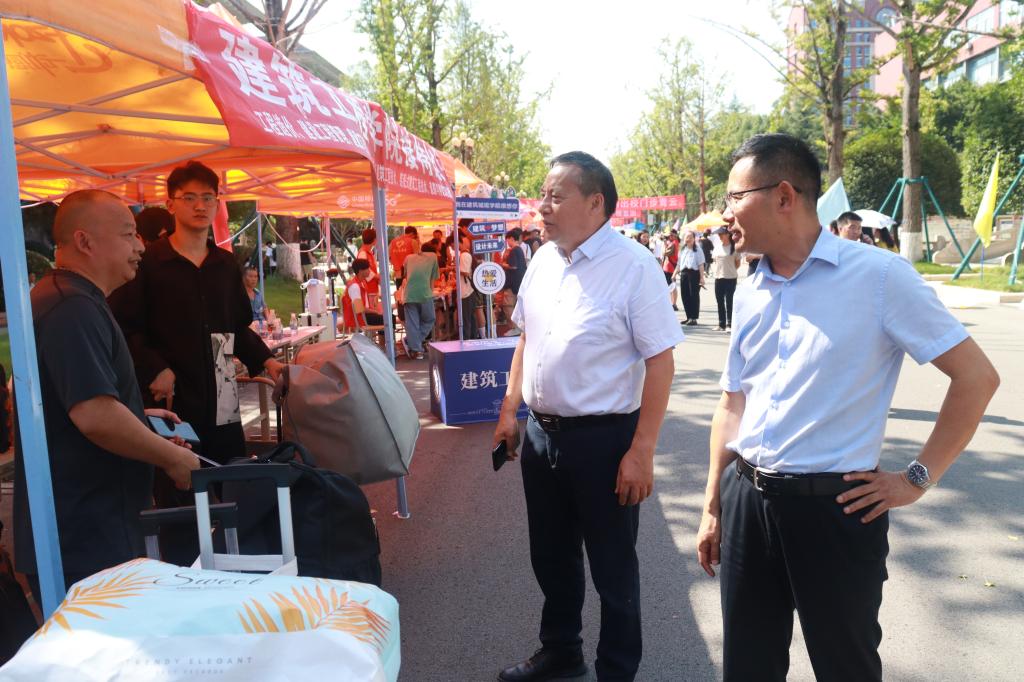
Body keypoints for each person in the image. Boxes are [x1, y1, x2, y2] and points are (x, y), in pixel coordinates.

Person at [696, 134, 1000, 682]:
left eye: (734, 197)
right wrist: (714, 505)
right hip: (746, 499)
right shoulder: (750, 288)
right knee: (747, 665)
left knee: (845, 666)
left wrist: (917, 478)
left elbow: (976, 378)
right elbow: (732, 402)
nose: (726, 213)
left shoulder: (878, 277)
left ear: (783, 195)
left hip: (834, 510)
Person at [493, 152, 684, 682]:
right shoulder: (542, 260)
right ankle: (561, 651)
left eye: (556, 196)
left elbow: (661, 361)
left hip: (605, 441)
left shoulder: (634, 266)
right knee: (551, 556)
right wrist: (510, 410)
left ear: (596, 202)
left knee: (612, 567)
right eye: (543, 196)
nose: (542, 207)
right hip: (541, 435)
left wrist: (641, 451)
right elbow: (527, 338)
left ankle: (616, 671)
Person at [14, 189, 199, 605]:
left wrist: (135, 412)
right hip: (84, 535)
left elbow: (75, 401)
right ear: (85, 241)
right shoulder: (70, 307)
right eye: (129, 234)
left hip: (90, 528)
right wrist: (171, 458)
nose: (140, 247)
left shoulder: (73, 299)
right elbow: (95, 414)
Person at [110, 160, 284, 465]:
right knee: (179, 478)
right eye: (189, 198)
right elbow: (123, 327)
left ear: (217, 203)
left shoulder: (225, 265)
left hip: (223, 392)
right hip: (170, 396)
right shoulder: (149, 263)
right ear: (171, 204)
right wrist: (156, 368)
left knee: (229, 473)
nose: (200, 206)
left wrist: (268, 361)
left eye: (207, 198)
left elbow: (236, 328)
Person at [400, 242, 440, 359]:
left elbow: (406, 275)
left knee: (412, 323)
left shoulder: (408, 258)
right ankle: (411, 342)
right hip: (425, 293)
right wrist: (431, 293)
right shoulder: (433, 257)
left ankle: (416, 349)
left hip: (409, 294)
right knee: (430, 318)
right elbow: (432, 280)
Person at [342, 258, 385, 330]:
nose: (369, 271)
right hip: (359, 318)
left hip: (363, 315)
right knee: (388, 319)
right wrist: (375, 312)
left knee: (389, 317)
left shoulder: (362, 282)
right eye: (367, 269)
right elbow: (359, 309)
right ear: (360, 271)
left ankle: (384, 337)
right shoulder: (354, 286)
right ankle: (386, 337)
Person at [500, 228, 527, 336]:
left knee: (507, 305)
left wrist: (503, 265)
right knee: (515, 306)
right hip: (519, 282)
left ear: (511, 238)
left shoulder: (514, 250)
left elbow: (513, 266)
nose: (507, 242)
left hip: (512, 283)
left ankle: (514, 327)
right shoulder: (519, 249)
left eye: (507, 240)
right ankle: (518, 328)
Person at [712, 229, 740, 331]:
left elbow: (737, 263)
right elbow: (715, 261)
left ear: (728, 234)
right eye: (719, 234)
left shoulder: (734, 247)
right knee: (720, 301)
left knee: (729, 301)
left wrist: (730, 269)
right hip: (718, 277)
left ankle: (729, 324)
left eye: (722, 234)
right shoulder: (717, 247)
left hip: (730, 278)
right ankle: (721, 324)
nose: (720, 236)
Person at [677, 230, 705, 326]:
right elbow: (679, 264)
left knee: (694, 296)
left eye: (690, 237)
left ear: (694, 239)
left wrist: (702, 277)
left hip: (694, 274)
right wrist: (674, 274)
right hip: (684, 273)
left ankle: (694, 318)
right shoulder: (682, 249)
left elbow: (701, 264)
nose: (688, 239)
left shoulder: (698, 249)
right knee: (684, 296)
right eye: (686, 237)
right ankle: (688, 316)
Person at [390, 226, 420, 291]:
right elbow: (418, 258)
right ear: (412, 234)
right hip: (410, 274)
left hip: (398, 274)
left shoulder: (393, 242)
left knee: (400, 294)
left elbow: (389, 257)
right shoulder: (413, 241)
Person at [357, 228, 381, 298]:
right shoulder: (363, 252)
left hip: (372, 288)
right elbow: (364, 271)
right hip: (368, 289)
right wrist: (377, 277)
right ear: (374, 240)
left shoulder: (368, 252)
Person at [662, 229, 680, 311]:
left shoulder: (673, 244)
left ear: (675, 235)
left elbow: (665, 253)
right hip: (671, 267)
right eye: (669, 235)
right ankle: (673, 303)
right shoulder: (676, 242)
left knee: (671, 286)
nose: (670, 237)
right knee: (672, 286)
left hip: (669, 267)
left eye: (672, 235)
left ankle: (673, 303)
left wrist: (664, 245)